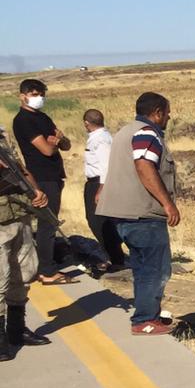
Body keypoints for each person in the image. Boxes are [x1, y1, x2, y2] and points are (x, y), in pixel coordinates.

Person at [98, 92, 181, 336]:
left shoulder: (125, 131)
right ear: (157, 112)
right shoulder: (147, 133)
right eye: (167, 112)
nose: (169, 117)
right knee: (156, 269)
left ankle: (147, 315)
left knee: (142, 268)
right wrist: (167, 203)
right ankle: (145, 320)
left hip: (121, 213)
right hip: (143, 214)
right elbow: (144, 165)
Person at [11, 78, 74, 282]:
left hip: (55, 175)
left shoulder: (43, 118)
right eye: (34, 94)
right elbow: (46, 149)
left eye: (41, 94)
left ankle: (43, 265)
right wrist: (54, 143)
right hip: (41, 176)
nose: (39, 98)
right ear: (23, 96)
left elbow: (65, 144)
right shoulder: (23, 121)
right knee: (48, 223)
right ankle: (47, 270)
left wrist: (59, 140)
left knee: (49, 222)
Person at [0, 125, 53, 360]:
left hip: (19, 214)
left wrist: (36, 192)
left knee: (24, 272)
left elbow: (20, 169)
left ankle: (16, 328)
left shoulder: (2, 136)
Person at [81, 109, 127, 272]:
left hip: (99, 183)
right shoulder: (99, 137)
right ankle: (112, 256)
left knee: (98, 222)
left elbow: (106, 165)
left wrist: (101, 188)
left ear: (86, 123)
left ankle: (116, 258)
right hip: (95, 183)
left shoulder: (101, 139)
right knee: (99, 221)